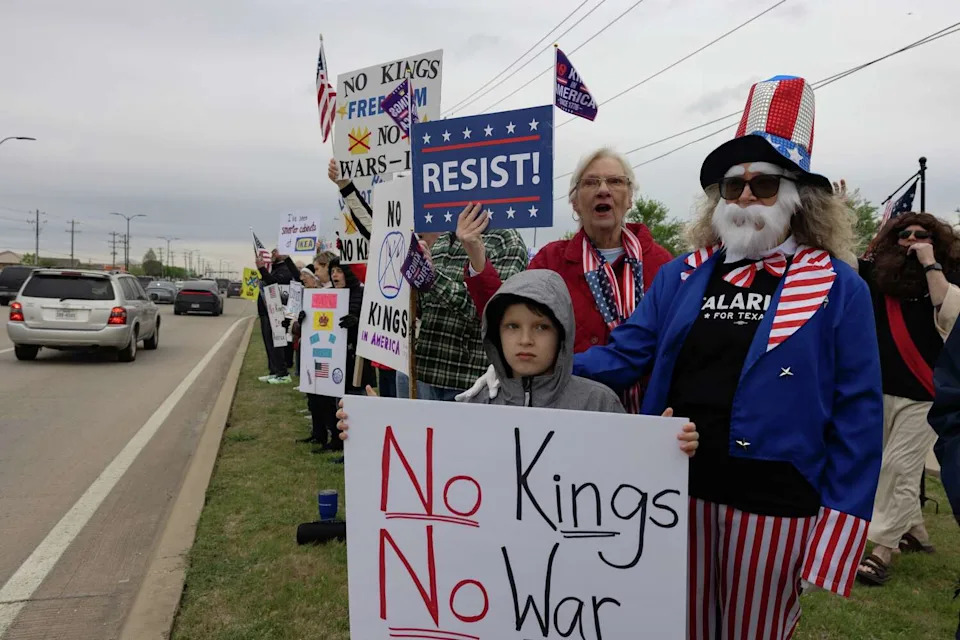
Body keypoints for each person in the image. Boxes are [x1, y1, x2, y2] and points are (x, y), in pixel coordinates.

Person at [557, 76, 882, 639]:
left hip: (775, 499)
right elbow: (627, 353)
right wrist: (542, 368)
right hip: (676, 486)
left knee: (755, 631)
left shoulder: (838, 286)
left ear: (798, 194)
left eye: (763, 183)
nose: (746, 197)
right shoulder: (684, 274)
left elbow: (858, 411)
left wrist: (840, 522)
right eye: (733, 186)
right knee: (675, 624)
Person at [336, 269, 700, 457]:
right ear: (496, 334)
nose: (525, 340)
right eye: (512, 326)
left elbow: (626, 477)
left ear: (562, 335)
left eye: (541, 326)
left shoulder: (598, 403)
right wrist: (374, 431)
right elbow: (436, 470)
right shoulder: (474, 405)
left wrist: (660, 450)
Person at [458, 147, 673, 412]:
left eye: (615, 181)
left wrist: (557, 365)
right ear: (574, 201)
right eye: (591, 182)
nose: (603, 189)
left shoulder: (662, 264)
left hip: (646, 412)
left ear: (630, 198)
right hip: (570, 413)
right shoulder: (552, 260)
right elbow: (508, 313)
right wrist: (476, 253)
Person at [855, 212, 960, 586]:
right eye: (904, 234)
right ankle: (916, 529)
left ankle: (882, 549)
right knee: (887, 466)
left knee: (898, 468)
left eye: (922, 234)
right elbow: (838, 257)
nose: (912, 239)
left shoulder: (947, 275)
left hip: (926, 393)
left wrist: (929, 262)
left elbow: (949, 312)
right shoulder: (874, 276)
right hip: (878, 388)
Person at [397, 223, 528, 401]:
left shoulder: (505, 240)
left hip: (466, 383)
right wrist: (415, 277)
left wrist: (433, 278)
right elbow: (424, 309)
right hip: (423, 373)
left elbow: (498, 314)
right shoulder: (442, 241)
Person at [330, 257, 375, 400]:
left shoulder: (363, 293)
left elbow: (372, 324)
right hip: (335, 358)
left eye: (339, 271)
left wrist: (357, 322)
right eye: (332, 272)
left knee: (359, 402)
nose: (334, 275)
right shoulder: (328, 294)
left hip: (357, 362)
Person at [256, 249, 299, 384]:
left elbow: (274, 284)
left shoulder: (285, 270)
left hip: (278, 312)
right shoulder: (274, 268)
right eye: (272, 252)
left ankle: (283, 373)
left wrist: (262, 269)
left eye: (275, 252)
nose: (272, 254)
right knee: (269, 343)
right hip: (267, 311)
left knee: (277, 343)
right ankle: (274, 371)